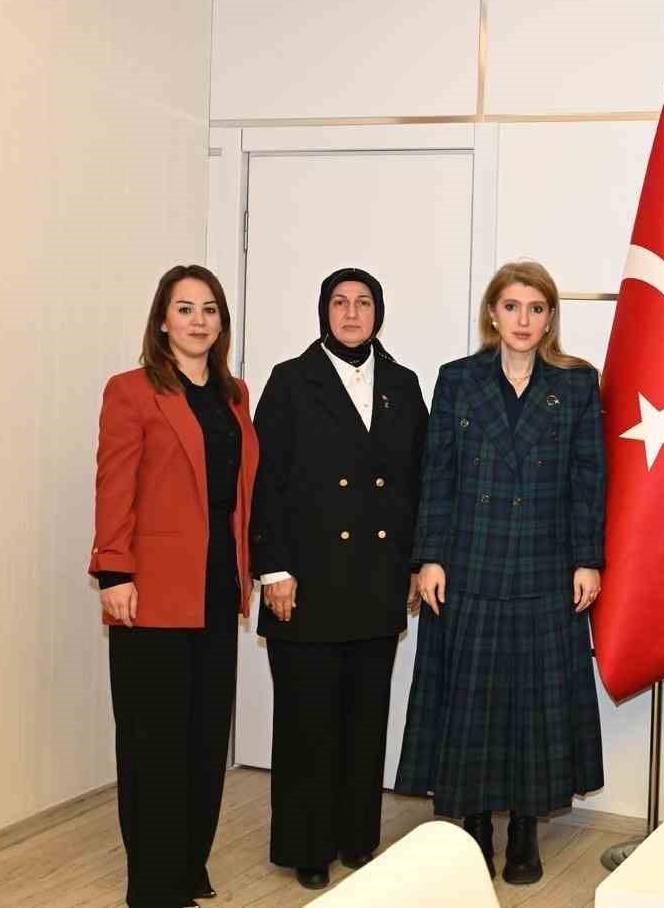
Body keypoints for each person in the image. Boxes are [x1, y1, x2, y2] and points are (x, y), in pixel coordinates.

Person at [394, 260, 606, 886]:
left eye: (536, 309)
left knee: (535, 707)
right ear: (492, 312)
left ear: (550, 318)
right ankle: (475, 824)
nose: (523, 320)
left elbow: (589, 480)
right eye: (512, 306)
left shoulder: (576, 384)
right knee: (472, 703)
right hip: (470, 564)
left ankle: (524, 830)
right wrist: (429, 557)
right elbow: (436, 475)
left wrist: (587, 559)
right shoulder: (457, 380)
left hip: (545, 566)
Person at [250, 268, 428, 890]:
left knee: (365, 717)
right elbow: (264, 482)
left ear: (379, 313)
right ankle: (307, 846)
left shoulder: (403, 384)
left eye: (364, 303)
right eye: (340, 302)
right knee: (308, 721)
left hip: (377, 579)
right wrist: (274, 569)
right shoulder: (290, 380)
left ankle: (357, 838)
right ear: (323, 312)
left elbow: (418, 481)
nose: (352, 313)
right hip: (304, 581)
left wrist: (416, 561)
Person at [89, 265, 259, 908]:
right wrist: (114, 571)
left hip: (217, 585)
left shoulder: (235, 394)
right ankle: (154, 883)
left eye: (209, 309)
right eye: (184, 308)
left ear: (221, 322)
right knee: (153, 741)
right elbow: (114, 484)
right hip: (150, 590)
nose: (198, 320)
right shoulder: (130, 391)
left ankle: (188, 864)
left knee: (205, 736)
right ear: (162, 320)